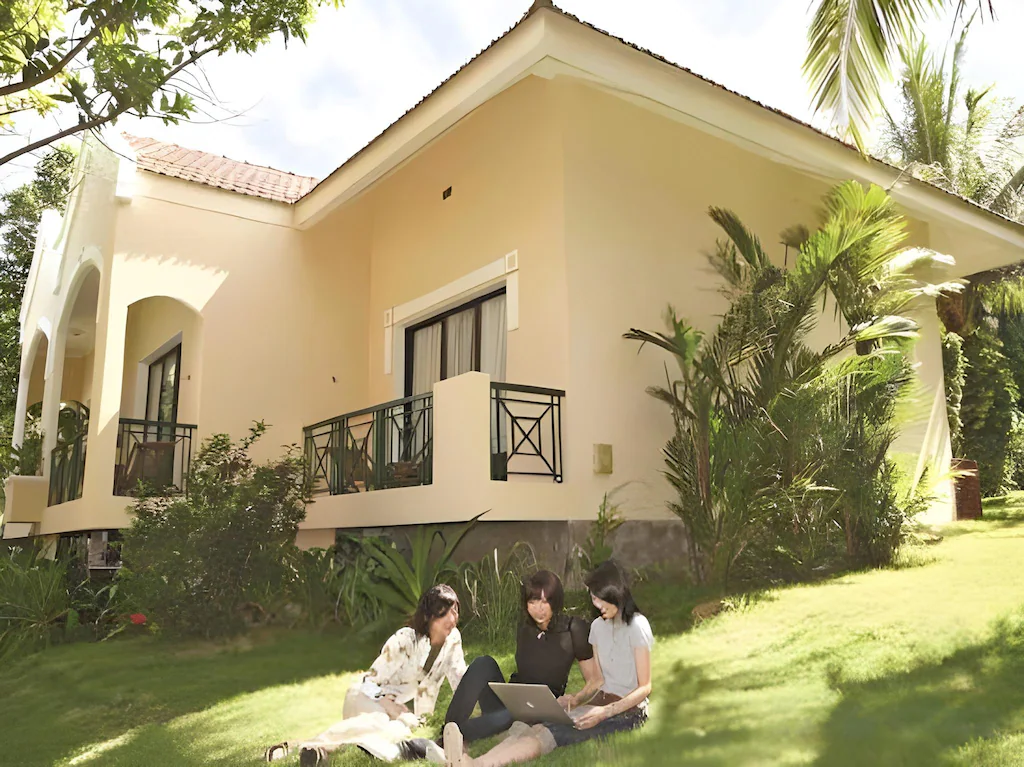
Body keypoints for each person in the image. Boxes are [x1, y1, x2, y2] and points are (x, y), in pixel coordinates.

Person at [442, 561, 653, 766]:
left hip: (617, 709)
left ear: (614, 593)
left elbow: (642, 686)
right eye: (593, 599)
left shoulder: (631, 626)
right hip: (579, 702)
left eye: (599, 599)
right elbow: (599, 680)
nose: (596, 605)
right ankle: (455, 743)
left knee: (547, 733)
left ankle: (472, 759)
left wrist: (602, 711)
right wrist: (576, 700)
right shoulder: (597, 627)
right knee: (532, 724)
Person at [265, 584, 466, 766]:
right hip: (365, 697)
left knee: (398, 731)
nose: (453, 618)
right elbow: (367, 683)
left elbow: (461, 680)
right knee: (379, 722)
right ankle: (300, 746)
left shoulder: (453, 640)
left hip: (395, 709)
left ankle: (320, 751)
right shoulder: (405, 640)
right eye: (446, 612)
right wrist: (389, 705)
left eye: (455, 610)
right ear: (429, 616)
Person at [441, 570, 599, 745]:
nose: (538, 609)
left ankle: (451, 736)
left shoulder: (573, 629)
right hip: (513, 700)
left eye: (544, 602)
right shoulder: (524, 626)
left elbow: (594, 680)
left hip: (541, 709)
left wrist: (575, 699)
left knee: (512, 715)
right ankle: (450, 726)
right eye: (532, 602)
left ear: (555, 600)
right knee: (483, 663)